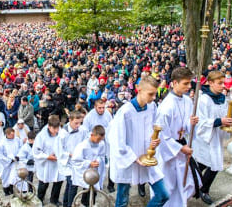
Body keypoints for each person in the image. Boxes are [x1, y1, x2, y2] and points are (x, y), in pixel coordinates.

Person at [108, 75, 169, 207]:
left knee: (163, 194)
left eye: (155, 94)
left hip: (147, 156)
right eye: (151, 94)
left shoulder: (152, 107)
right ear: (139, 89)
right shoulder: (125, 112)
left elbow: (154, 128)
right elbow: (117, 140)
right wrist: (134, 158)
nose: (154, 98)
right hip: (129, 160)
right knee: (123, 198)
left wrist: (155, 140)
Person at [155, 67, 200, 207]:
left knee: (185, 183)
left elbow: (184, 125)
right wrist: (181, 149)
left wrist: (190, 123)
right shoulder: (166, 107)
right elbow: (162, 136)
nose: (189, 86)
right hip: (170, 151)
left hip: (182, 145)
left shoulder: (187, 101)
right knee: (170, 185)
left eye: (190, 83)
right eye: (185, 83)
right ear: (174, 83)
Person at [192, 71, 232, 205]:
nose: (223, 86)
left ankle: (204, 189)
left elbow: (225, 114)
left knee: (215, 164)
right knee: (202, 164)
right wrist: (218, 121)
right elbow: (201, 121)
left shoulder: (223, 98)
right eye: (220, 83)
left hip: (216, 137)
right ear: (210, 83)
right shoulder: (203, 99)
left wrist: (228, 121)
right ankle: (194, 186)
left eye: (224, 83)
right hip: (204, 138)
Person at [55, 110, 89, 207]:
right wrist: (69, 154)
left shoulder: (82, 130)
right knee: (73, 184)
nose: (78, 125)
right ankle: (69, 204)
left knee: (70, 185)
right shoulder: (63, 133)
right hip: (68, 163)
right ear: (70, 120)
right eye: (76, 123)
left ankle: (66, 204)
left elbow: (85, 142)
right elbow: (59, 150)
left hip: (78, 162)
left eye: (80, 123)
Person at [33, 115, 65, 206]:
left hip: (57, 162)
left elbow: (65, 144)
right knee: (44, 183)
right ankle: (40, 199)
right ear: (49, 126)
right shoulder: (41, 136)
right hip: (46, 163)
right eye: (54, 129)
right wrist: (48, 156)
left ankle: (54, 199)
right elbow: (36, 151)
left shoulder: (61, 133)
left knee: (58, 182)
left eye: (57, 129)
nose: (56, 131)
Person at [71, 125, 106, 207]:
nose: (99, 141)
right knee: (86, 190)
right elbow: (75, 160)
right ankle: (84, 203)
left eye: (101, 139)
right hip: (85, 172)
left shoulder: (101, 144)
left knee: (94, 191)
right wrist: (89, 163)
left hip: (95, 171)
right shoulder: (83, 146)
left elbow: (102, 155)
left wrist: (98, 161)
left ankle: (91, 204)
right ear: (92, 135)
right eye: (97, 139)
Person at [0, 128, 22, 196]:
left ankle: (12, 189)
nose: (13, 136)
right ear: (7, 134)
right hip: (6, 164)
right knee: (6, 178)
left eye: (14, 134)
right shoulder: (2, 143)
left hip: (14, 162)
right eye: (12, 135)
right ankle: (6, 191)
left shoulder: (17, 139)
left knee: (13, 177)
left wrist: (18, 156)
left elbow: (21, 148)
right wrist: (9, 160)